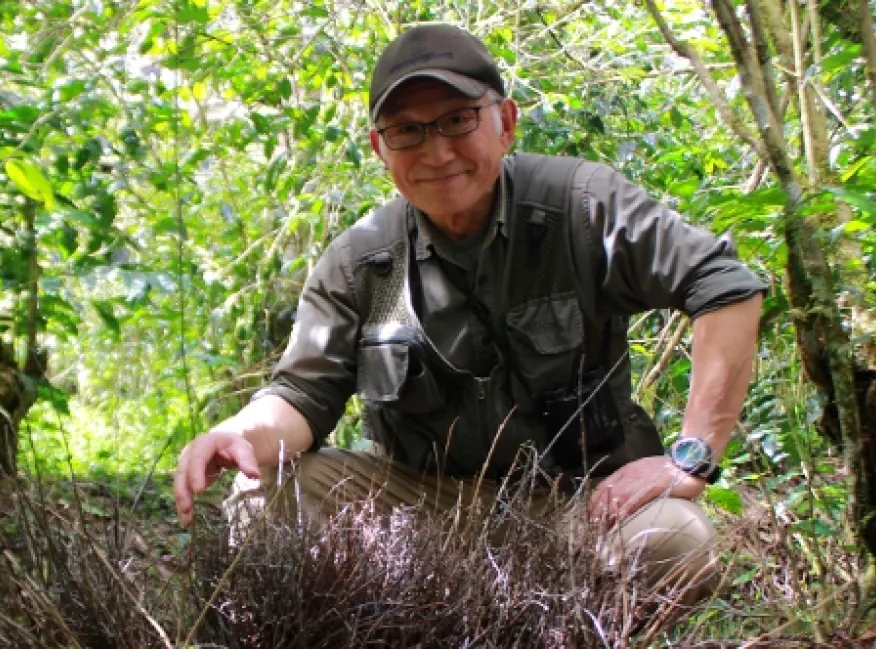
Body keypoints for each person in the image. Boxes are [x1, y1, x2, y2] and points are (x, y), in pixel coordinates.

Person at [173, 23, 765, 593]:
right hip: (419, 509)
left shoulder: (578, 208)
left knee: (674, 541)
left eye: (458, 120)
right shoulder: (364, 262)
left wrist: (690, 458)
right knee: (262, 498)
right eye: (407, 131)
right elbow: (302, 395)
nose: (437, 152)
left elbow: (724, 286)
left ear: (505, 122)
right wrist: (235, 433)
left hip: (575, 504)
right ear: (380, 149)